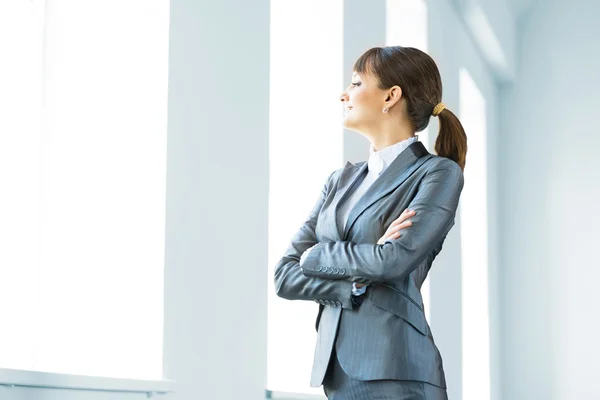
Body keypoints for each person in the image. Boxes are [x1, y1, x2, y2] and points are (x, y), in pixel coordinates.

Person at [274, 45, 467, 400]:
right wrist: (354, 286)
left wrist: (317, 257)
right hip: (337, 374)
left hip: (398, 370)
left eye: (356, 82)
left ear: (391, 96)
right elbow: (284, 276)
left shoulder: (437, 173)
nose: (344, 94)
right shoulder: (339, 180)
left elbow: (393, 261)